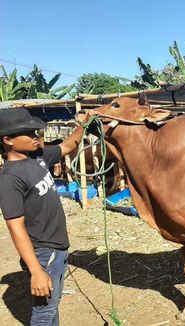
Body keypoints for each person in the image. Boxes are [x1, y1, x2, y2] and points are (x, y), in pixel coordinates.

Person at [0, 108, 86, 326]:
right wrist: (36, 270)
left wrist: (83, 125)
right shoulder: (10, 178)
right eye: (28, 133)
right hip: (42, 251)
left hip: (58, 246)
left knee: (52, 304)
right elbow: (15, 226)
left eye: (35, 131)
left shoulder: (38, 156)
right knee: (43, 312)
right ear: (8, 140)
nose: (35, 136)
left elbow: (67, 146)